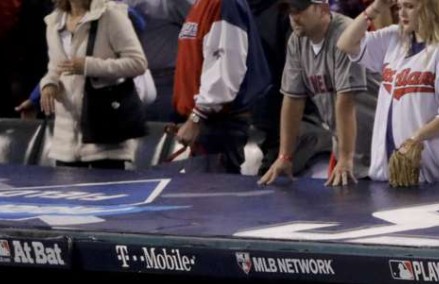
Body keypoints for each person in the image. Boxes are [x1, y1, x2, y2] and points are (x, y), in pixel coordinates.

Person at [338, 0, 439, 184]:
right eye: (399, 7)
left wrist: (414, 139)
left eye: (410, 6)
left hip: (436, 176)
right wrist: (375, 8)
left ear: (430, 9)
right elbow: (346, 44)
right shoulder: (395, 38)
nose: (402, 13)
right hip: (388, 173)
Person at [258, 0, 371, 187]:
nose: (293, 17)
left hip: (377, 145)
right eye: (290, 10)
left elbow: (346, 100)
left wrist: (345, 157)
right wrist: (285, 156)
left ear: (323, 9)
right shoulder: (297, 41)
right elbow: (293, 99)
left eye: (300, 10)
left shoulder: (346, 34)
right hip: (347, 148)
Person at [37, 0, 147, 168]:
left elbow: (138, 63)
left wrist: (89, 66)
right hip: (66, 141)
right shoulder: (53, 22)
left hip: (105, 135)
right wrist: (49, 83)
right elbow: (55, 66)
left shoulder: (111, 16)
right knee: (67, 192)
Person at [171, 0, 272, 173]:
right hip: (207, 124)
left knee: (212, 196)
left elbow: (226, 69)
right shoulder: (202, 4)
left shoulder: (226, 4)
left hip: (219, 124)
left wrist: (196, 117)